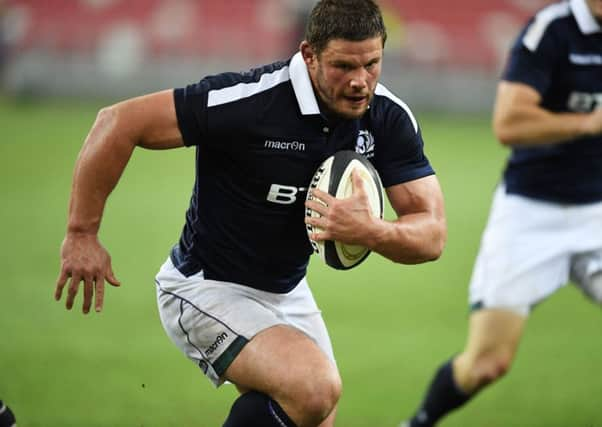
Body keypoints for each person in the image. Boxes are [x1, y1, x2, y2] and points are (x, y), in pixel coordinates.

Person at [54, 1, 446, 426]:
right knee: (313, 387)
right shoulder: (250, 101)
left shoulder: (387, 118)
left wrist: (373, 231)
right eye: (343, 66)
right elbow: (118, 122)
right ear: (308, 55)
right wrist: (81, 233)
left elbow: (432, 233)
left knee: (318, 410)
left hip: (287, 292)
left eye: (372, 64)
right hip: (205, 287)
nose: (359, 81)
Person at [401, 0, 602, 426]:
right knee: (486, 364)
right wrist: (588, 123)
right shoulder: (551, 31)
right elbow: (509, 123)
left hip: (597, 212)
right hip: (531, 215)